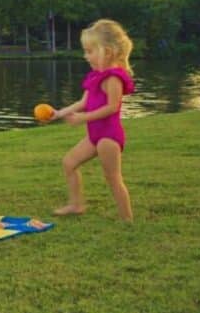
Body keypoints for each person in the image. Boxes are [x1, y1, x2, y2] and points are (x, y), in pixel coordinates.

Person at [44, 19, 135, 221]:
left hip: (108, 137)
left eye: (90, 51)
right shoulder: (96, 76)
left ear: (107, 52)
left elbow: (112, 107)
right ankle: (76, 205)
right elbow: (83, 102)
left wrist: (83, 118)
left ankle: (127, 219)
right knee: (69, 163)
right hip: (94, 135)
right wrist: (59, 113)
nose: (86, 56)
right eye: (85, 51)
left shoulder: (114, 78)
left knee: (112, 178)